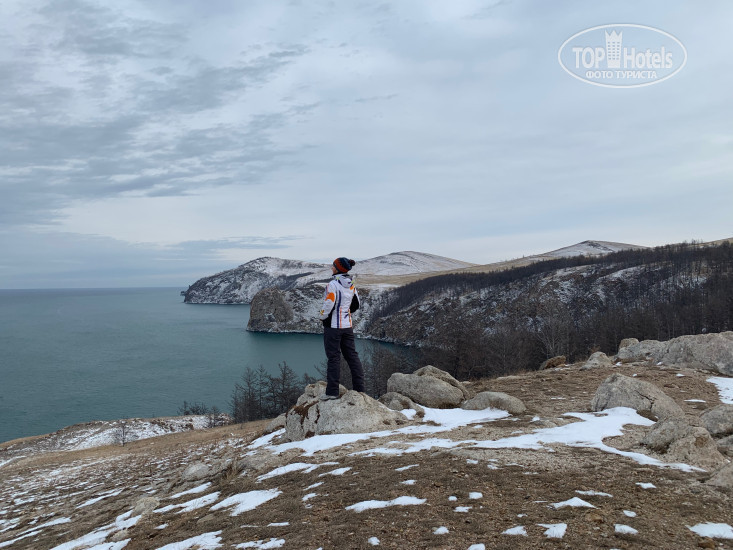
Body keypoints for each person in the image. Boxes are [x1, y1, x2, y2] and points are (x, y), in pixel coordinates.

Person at [318, 257, 365, 399]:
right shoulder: (351, 284)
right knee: (352, 357)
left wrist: (322, 316)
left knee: (333, 358)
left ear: (338, 268)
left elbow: (329, 303)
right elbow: (356, 304)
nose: (331, 268)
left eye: (333, 266)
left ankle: (332, 392)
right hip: (347, 326)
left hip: (333, 327)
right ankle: (360, 390)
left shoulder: (332, 284)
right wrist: (345, 312)